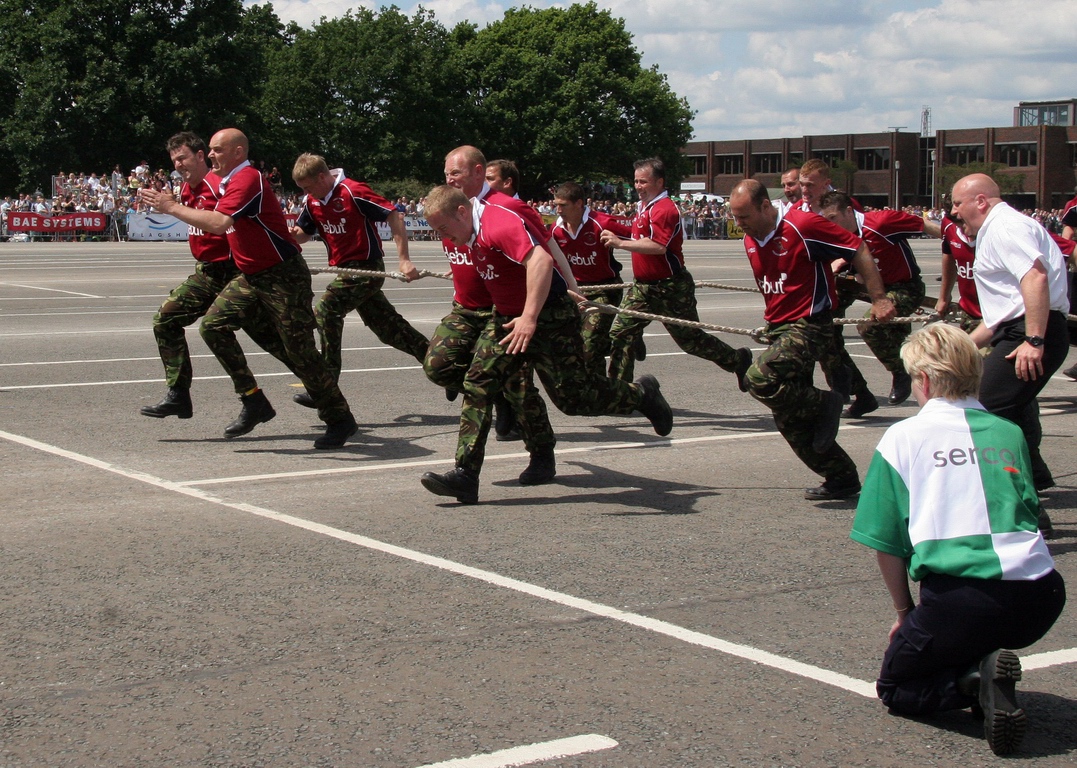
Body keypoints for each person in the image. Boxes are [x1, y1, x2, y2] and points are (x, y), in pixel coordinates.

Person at [850, 322, 1065, 756]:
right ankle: (982, 661)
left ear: (924, 381)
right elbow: (1027, 508)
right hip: (1041, 595)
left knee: (897, 687)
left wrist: (905, 613)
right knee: (973, 628)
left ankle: (974, 680)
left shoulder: (903, 437)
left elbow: (886, 541)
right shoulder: (1008, 432)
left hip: (963, 599)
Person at [419, 185, 673, 504]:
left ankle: (642, 395)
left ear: (461, 212)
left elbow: (541, 259)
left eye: (443, 228)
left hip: (549, 316)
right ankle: (465, 476)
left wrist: (530, 317)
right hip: (506, 318)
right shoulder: (468, 229)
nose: (442, 236)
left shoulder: (497, 223)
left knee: (572, 398)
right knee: (478, 383)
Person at [141, 128, 357, 449]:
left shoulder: (247, 179)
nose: (211, 155)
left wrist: (170, 207)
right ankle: (252, 399)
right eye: (210, 150)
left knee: (299, 351)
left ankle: (339, 418)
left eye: (216, 150)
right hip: (251, 275)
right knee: (213, 326)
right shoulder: (227, 181)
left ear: (238, 152)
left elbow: (219, 223)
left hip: (282, 276)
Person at [728, 179, 896, 500]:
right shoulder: (751, 238)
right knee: (789, 418)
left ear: (766, 206)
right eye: (736, 217)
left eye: (745, 216)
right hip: (780, 329)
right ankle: (841, 477)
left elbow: (858, 248)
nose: (740, 224)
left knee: (758, 379)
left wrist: (879, 298)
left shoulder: (802, 225)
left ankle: (825, 403)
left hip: (810, 325)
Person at [140, 131, 298, 421]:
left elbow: (228, 222)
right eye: (174, 161)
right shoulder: (185, 191)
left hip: (234, 271)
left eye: (183, 158)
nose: (178, 165)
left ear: (201, 156)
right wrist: (174, 205)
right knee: (166, 319)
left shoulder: (220, 185)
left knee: (273, 340)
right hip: (207, 272)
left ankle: (321, 388)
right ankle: (179, 394)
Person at [425, 145, 558, 477]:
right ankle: (495, 398)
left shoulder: (505, 208)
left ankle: (540, 452)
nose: (449, 179)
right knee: (439, 367)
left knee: (517, 387)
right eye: (446, 174)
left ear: (477, 172)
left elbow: (545, 250)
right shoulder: (446, 211)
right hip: (466, 308)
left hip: (502, 310)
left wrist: (569, 286)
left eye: (455, 173)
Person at [950, 173, 1070, 497]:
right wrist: (958, 347)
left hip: (1032, 331)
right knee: (1011, 410)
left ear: (980, 201)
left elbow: (1035, 277)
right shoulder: (998, 228)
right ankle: (1034, 480)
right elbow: (1004, 313)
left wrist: (1034, 340)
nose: (954, 212)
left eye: (957, 203)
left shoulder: (1004, 226)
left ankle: (1017, 502)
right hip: (1021, 329)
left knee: (982, 409)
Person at [288, 153, 429, 406]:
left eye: (308, 187)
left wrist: (404, 260)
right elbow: (303, 233)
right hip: (345, 271)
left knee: (327, 309)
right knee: (390, 330)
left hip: (366, 268)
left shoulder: (352, 191)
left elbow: (394, 216)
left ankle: (326, 386)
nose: (306, 193)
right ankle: (446, 368)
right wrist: (291, 234)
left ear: (322, 177)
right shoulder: (312, 201)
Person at [600, 157, 752, 386]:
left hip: (670, 287)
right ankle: (622, 392)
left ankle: (737, 360)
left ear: (659, 182)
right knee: (620, 333)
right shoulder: (644, 206)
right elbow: (635, 233)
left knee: (690, 340)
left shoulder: (664, 209)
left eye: (643, 182)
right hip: (643, 287)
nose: (638, 186)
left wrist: (620, 243)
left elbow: (658, 246)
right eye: (636, 181)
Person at [818, 191, 941, 414]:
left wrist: (962, 245)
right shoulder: (836, 234)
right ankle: (854, 388)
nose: (831, 224)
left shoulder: (881, 222)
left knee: (869, 326)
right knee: (821, 321)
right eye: (826, 219)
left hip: (903, 286)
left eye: (833, 218)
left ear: (849, 211)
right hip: (862, 284)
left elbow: (924, 225)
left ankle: (901, 371)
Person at [550, 181, 633, 377]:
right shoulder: (555, 230)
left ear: (579, 203)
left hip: (605, 289)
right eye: (556, 205)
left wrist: (619, 242)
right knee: (576, 344)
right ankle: (597, 385)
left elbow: (640, 235)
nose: (558, 210)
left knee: (589, 343)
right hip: (577, 291)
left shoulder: (602, 223)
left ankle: (610, 384)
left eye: (563, 205)